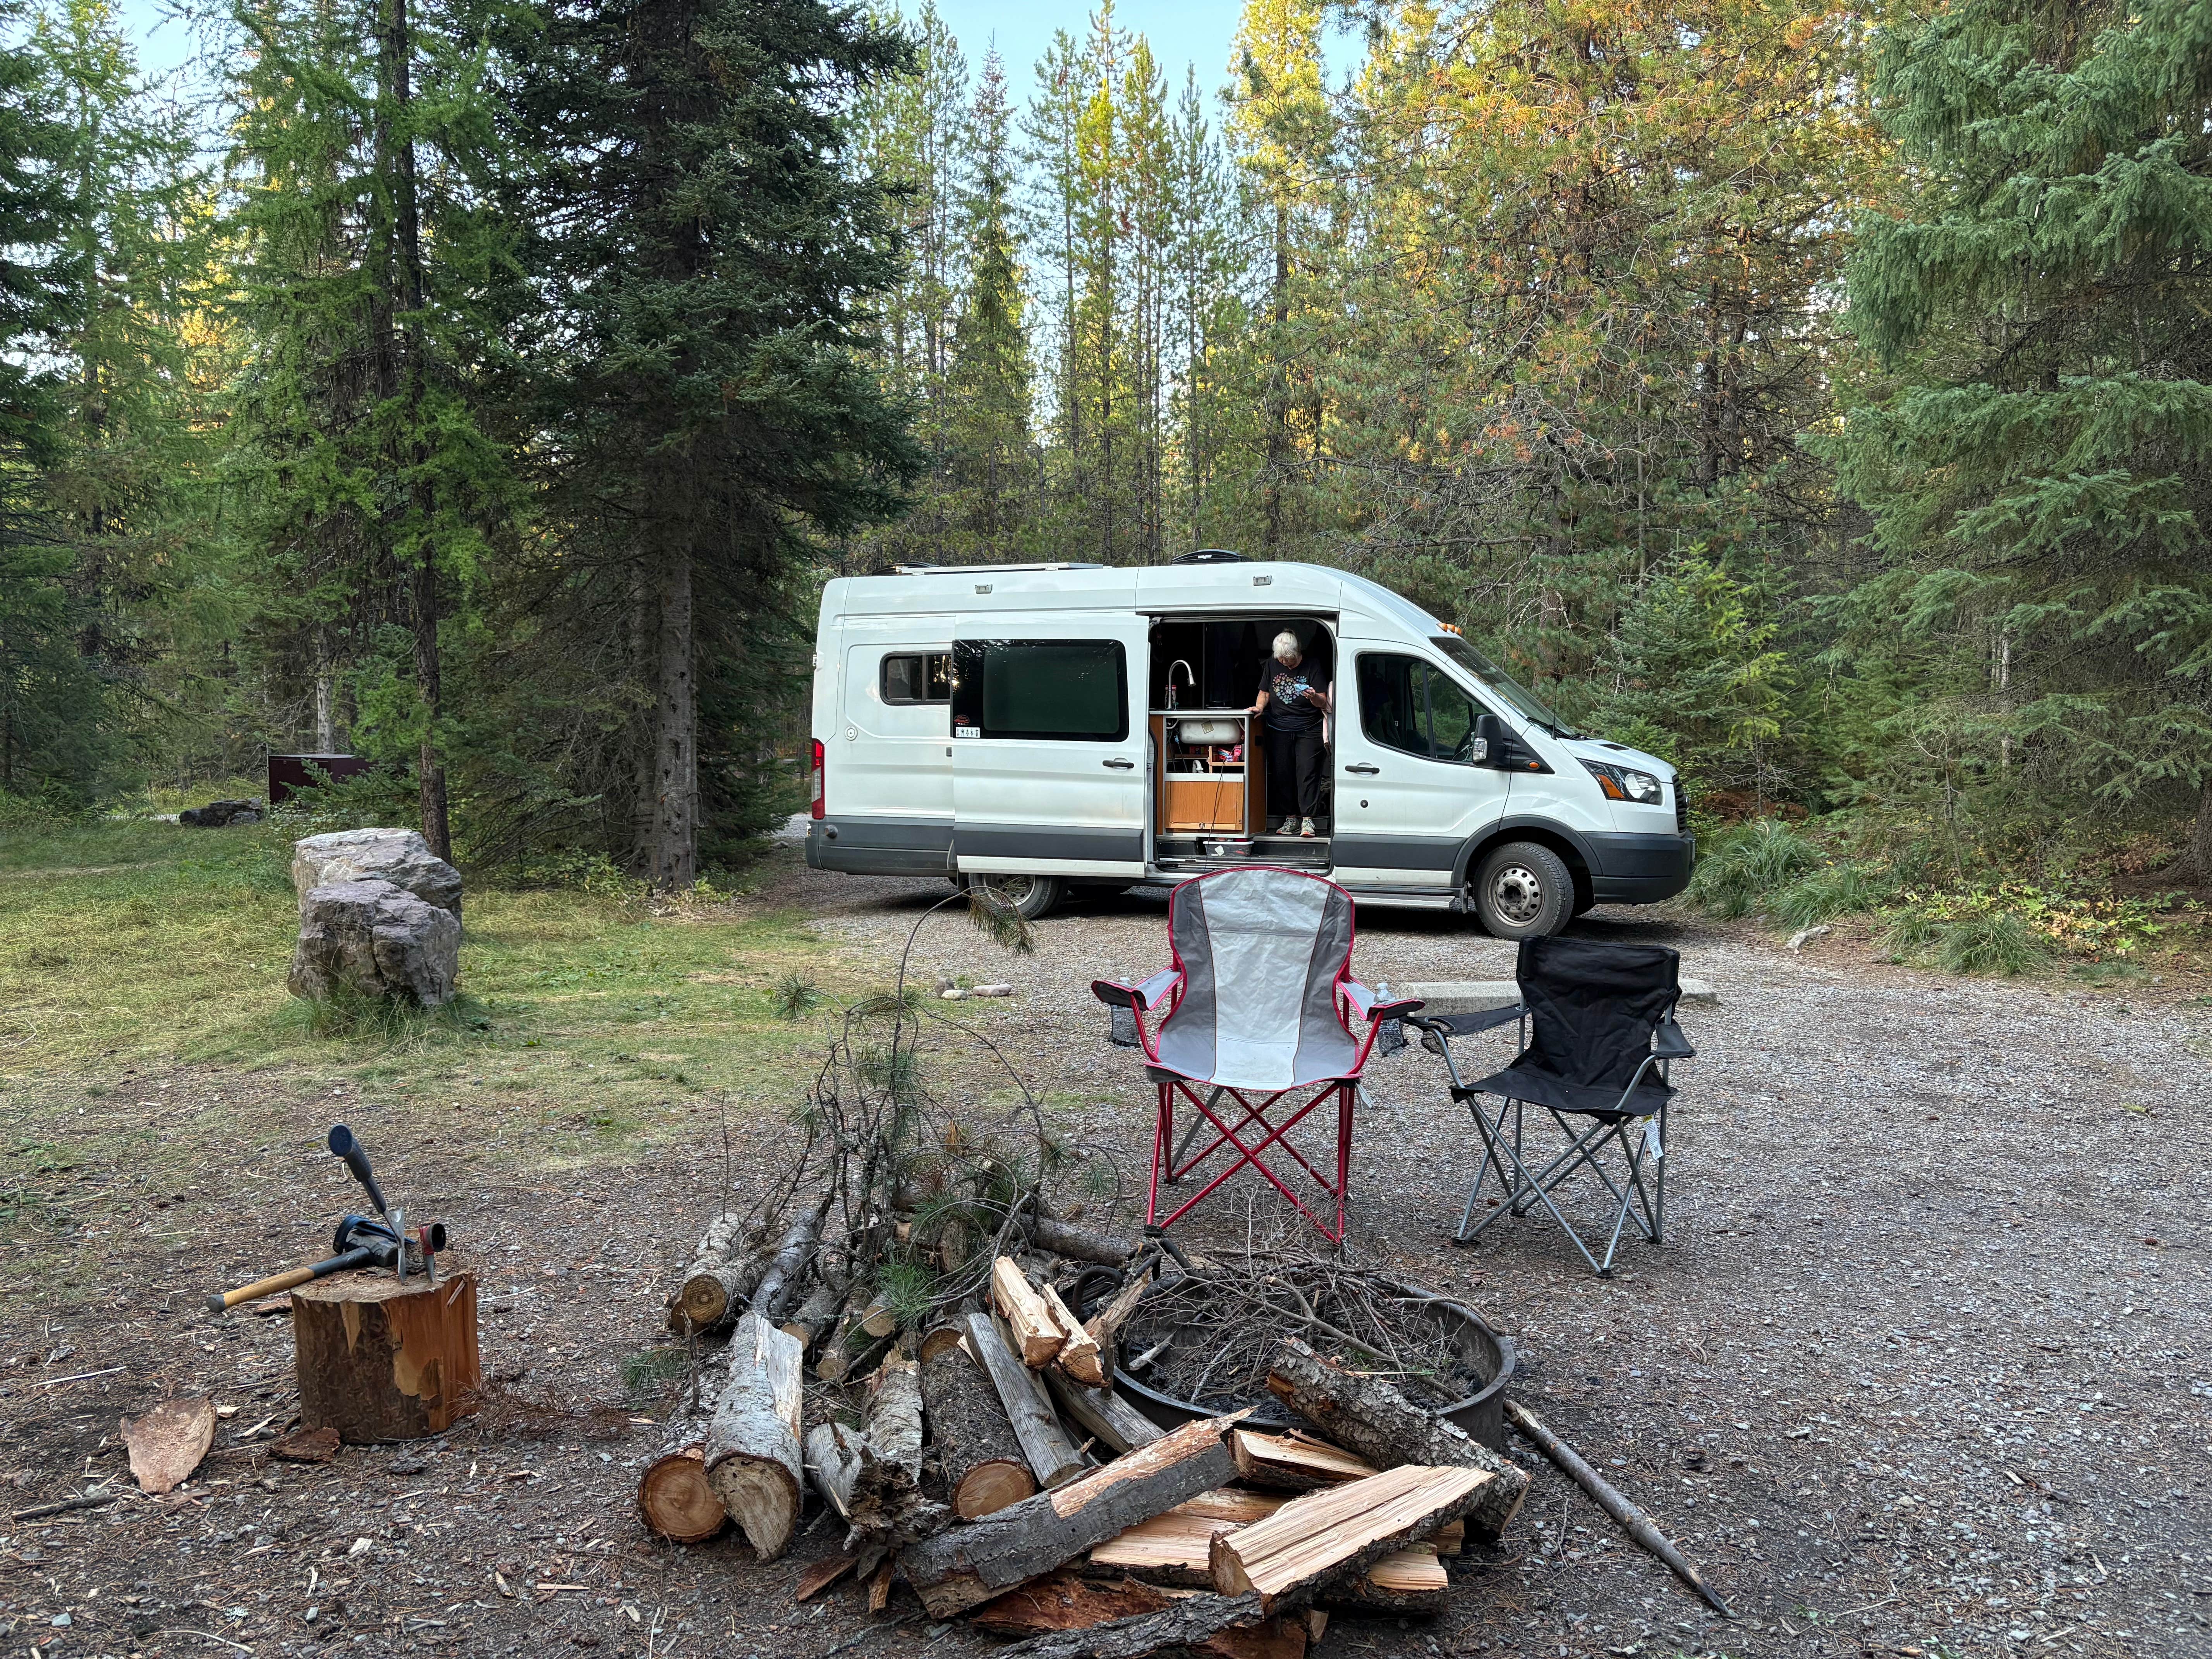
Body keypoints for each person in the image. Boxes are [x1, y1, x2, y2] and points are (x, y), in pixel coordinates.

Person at [1249, 630, 1331, 836]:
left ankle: (1308, 821)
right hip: (1278, 729)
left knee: (1308, 774)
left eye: (1290, 660)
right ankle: (1290, 819)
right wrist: (1259, 708)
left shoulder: (1313, 665)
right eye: (1282, 660)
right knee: (1282, 774)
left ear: (1298, 652)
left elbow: (1323, 700)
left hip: (1309, 729)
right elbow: (1265, 692)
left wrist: (1313, 697)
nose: (1286, 664)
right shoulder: (1272, 664)